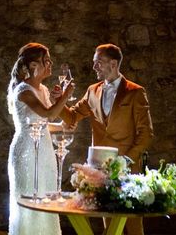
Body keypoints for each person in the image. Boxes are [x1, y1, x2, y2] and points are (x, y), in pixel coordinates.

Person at [60, 43, 153, 235]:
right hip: (99, 170)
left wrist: (126, 160)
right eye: (95, 63)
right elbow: (71, 118)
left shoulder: (135, 92)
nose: (94, 67)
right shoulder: (92, 91)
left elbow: (146, 134)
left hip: (129, 168)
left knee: (134, 226)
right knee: (109, 226)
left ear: (113, 63)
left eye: (98, 63)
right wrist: (58, 100)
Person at [7, 42, 75, 235]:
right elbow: (49, 114)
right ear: (33, 66)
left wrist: (63, 125)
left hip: (45, 151)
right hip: (27, 152)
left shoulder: (43, 90)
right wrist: (65, 96)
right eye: (46, 61)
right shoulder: (24, 91)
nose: (50, 64)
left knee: (46, 199)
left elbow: (45, 124)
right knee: (29, 201)